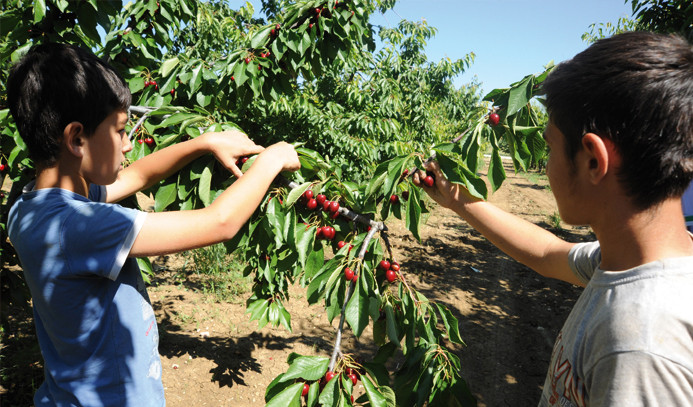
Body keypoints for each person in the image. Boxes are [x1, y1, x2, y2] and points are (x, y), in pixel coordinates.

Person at [6, 42, 300, 406]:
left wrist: (204, 142)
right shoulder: (81, 227)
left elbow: (137, 176)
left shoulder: (30, 207)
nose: (129, 146)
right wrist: (271, 161)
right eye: (120, 131)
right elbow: (220, 222)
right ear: (76, 138)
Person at [414, 31, 693, 406]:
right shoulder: (627, 261)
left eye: (549, 147)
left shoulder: (637, 347)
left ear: (593, 160)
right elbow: (547, 253)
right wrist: (458, 201)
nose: (545, 166)